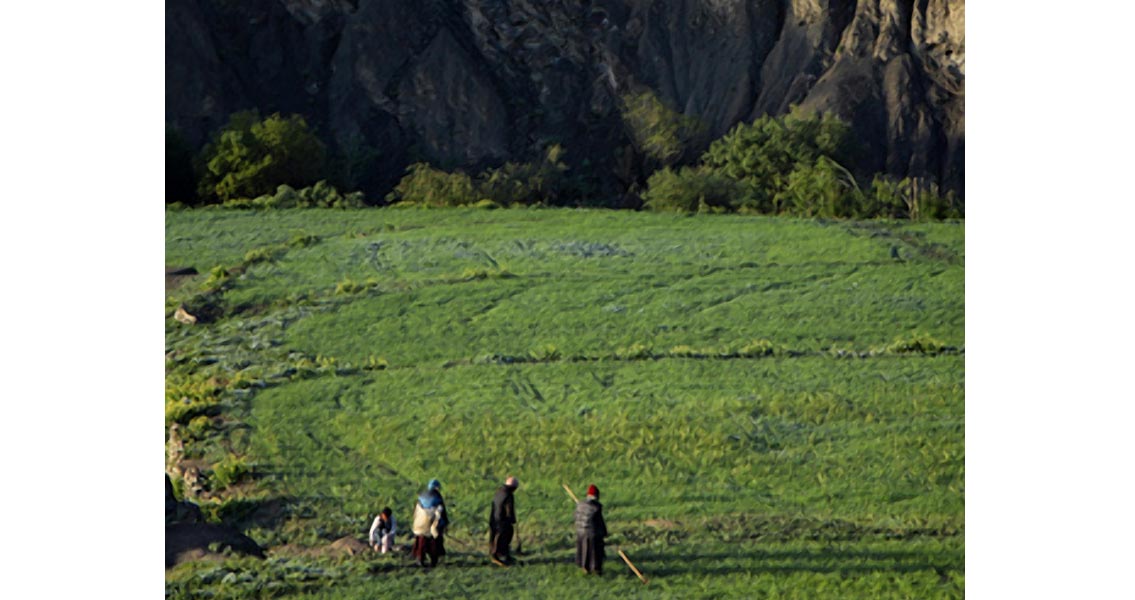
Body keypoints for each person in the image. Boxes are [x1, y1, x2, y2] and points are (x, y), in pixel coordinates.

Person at [410, 479, 448, 567]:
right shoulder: (437, 497)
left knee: (421, 541)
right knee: (434, 542)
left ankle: (420, 558)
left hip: (419, 524)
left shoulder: (421, 496)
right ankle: (434, 560)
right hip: (431, 523)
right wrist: (445, 522)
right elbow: (442, 511)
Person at [574, 484, 608, 575]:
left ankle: (585, 569)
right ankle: (596, 570)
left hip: (580, 533)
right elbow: (599, 522)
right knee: (595, 553)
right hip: (592, 534)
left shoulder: (579, 505)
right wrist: (604, 533)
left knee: (584, 552)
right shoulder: (596, 507)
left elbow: (576, 518)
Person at [488, 476, 519, 563]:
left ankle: (494, 553)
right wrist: (512, 520)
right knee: (505, 537)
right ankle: (502, 555)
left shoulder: (499, 492)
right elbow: (509, 509)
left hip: (494, 519)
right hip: (503, 520)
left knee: (494, 537)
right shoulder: (508, 495)